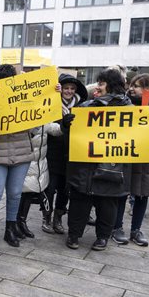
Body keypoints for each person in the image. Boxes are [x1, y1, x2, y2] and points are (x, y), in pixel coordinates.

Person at [62, 67, 133, 251]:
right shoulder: (86, 107)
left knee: (107, 204)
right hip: (85, 167)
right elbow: (71, 137)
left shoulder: (131, 111)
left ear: (111, 86)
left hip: (112, 167)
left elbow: (140, 138)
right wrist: (67, 125)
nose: (97, 87)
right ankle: (74, 234)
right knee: (79, 202)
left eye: (101, 83)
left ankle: (103, 237)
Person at [110, 74, 149, 247]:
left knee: (142, 191)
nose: (132, 88)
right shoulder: (123, 104)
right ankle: (117, 227)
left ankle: (136, 229)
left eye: (137, 86)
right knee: (122, 190)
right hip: (127, 152)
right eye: (132, 85)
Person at [0, 64, 34, 248]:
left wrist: (53, 93)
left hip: (21, 152)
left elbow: (38, 120)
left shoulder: (25, 97)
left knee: (15, 193)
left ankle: (9, 229)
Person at [46, 74, 88, 234]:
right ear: (60, 89)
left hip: (73, 153)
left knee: (65, 190)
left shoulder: (82, 106)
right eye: (66, 88)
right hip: (53, 152)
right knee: (50, 189)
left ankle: (58, 219)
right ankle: (47, 217)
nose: (69, 91)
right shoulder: (52, 103)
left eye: (72, 88)